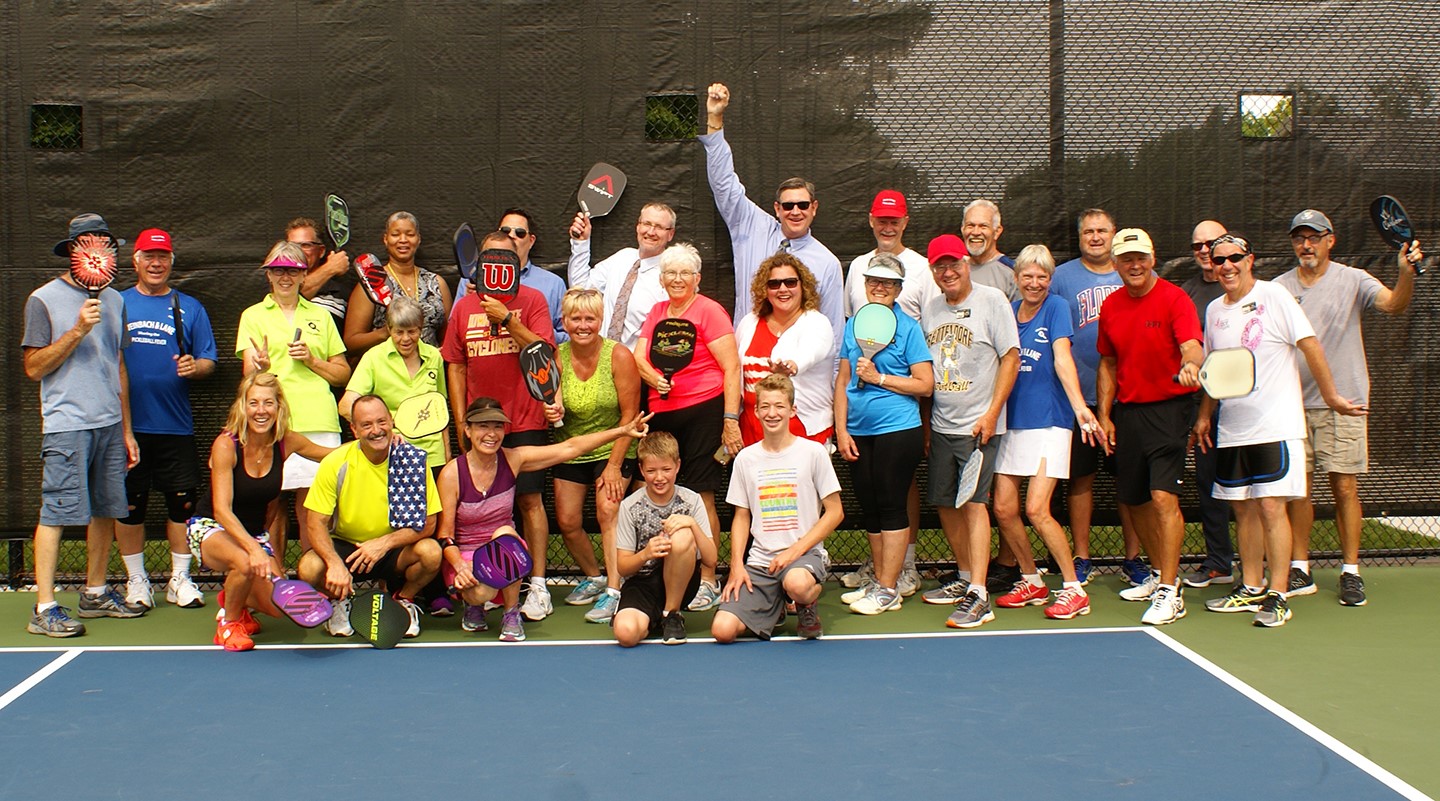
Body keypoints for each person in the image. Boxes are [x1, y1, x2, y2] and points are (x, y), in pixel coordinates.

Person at [1192, 234, 1367, 628]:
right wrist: (1205, 415)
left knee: (1272, 506)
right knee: (1244, 509)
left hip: (1276, 425)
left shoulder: (1276, 296)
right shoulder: (1215, 311)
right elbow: (1215, 368)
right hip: (1234, 429)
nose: (1227, 266)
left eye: (1235, 258)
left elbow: (1311, 346)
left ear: (1249, 260)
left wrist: (1332, 396)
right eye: (1219, 260)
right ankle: (1250, 587)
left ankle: (1278, 593)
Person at [1275, 209, 1421, 607]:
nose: (1306, 245)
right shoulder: (1278, 288)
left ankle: (1351, 571)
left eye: (1314, 237)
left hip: (1345, 403)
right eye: (1299, 238)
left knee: (1344, 487)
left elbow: (1393, 305)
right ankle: (1300, 567)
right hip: (1291, 403)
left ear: (1330, 240)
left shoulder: (1354, 280)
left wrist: (1405, 272)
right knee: (1297, 490)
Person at [437, 397, 651, 642]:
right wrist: (461, 568)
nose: (491, 434)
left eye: (497, 426)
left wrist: (622, 431)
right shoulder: (452, 474)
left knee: (506, 535)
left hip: (505, 550)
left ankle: (511, 613)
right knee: (480, 592)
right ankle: (474, 606)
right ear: (467, 430)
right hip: (466, 560)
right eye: (483, 426)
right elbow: (445, 536)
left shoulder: (513, 459)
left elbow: (571, 448)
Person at [22, 213, 145, 636]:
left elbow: (119, 366)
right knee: (56, 513)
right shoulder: (43, 299)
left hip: (109, 425)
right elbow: (33, 368)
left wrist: (126, 429)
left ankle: (94, 593)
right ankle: (44, 606)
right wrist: (76, 330)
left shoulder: (116, 299)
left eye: (108, 245)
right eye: (92, 245)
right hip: (66, 423)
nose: (102, 252)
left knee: (108, 510)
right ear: (75, 252)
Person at [441, 231, 558, 621]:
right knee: (468, 510)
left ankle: (537, 585)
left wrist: (507, 319)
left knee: (528, 502)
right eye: (492, 257)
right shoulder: (463, 306)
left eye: (507, 256)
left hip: (524, 417)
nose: (499, 263)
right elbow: (455, 365)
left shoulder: (534, 300)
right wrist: (460, 419)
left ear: (518, 261)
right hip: (480, 424)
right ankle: (475, 590)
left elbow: (543, 352)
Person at [1096, 228, 1204, 626]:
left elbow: (1192, 344)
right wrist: (1105, 415)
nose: (1135, 265)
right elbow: (1108, 362)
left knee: (1162, 499)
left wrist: (1191, 362)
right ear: (1115, 264)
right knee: (1137, 500)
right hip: (1128, 414)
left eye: (1140, 257)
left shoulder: (1175, 299)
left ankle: (1170, 592)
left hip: (1170, 411)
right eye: (1126, 259)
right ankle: (1160, 573)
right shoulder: (1111, 306)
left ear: (1152, 258)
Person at [989, 245, 1103, 621]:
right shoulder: (1008, 311)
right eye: (1028, 276)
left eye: (1042, 276)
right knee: (1004, 509)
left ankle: (1073, 588)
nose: (1035, 283)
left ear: (1050, 280)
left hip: (1051, 421)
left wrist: (1080, 408)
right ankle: (1031, 578)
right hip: (1012, 422)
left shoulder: (1055, 308)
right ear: (1017, 278)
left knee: (1037, 508)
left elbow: (1062, 357)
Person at [913, 234, 1020, 629]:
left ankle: (979, 592)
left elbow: (1011, 357)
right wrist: (927, 425)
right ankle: (963, 576)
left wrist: (992, 413)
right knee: (945, 503)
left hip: (979, 426)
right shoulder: (931, 309)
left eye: (953, 263)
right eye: (939, 266)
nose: (948, 271)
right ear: (932, 271)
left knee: (974, 504)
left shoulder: (992, 301)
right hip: (942, 426)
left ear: (966, 264)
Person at [188, 373, 333, 650]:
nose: (261, 410)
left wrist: (373, 440)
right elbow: (221, 510)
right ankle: (228, 625)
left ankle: (234, 597)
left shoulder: (286, 442)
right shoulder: (226, 444)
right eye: (253, 403)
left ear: (279, 407)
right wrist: (254, 550)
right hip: (210, 528)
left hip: (255, 535)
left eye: (268, 403)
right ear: (242, 406)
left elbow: (333, 454)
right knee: (243, 561)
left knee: (280, 608)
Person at [114, 228, 219, 611]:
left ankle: (179, 579)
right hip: (126, 427)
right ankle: (136, 580)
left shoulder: (189, 307)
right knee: (130, 506)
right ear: (136, 261)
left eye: (162, 258)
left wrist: (196, 366)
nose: (155, 264)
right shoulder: (117, 304)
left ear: (171, 262)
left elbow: (209, 359)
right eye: (148, 257)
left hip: (175, 424)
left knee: (182, 506)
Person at [634, 242, 741, 612]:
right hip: (662, 413)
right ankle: (665, 570)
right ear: (662, 279)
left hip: (704, 410)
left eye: (685, 274)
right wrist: (652, 376)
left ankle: (709, 578)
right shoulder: (657, 311)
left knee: (700, 492)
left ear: (697, 278)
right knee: (659, 490)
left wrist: (730, 419)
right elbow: (638, 356)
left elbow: (732, 368)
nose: (677, 280)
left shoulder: (710, 311)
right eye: (670, 273)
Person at [700, 82, 845, 347]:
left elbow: (834, 332)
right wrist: (715, 119)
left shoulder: (828, 263)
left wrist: (833, 383)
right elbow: (724, 184)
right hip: (748, 355)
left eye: (802, 205)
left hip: (799, 367)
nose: (796, 211)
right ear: (777, 209)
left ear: (814, 208)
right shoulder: (751, 225)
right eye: (788, 206)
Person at [839, 189, 932, 597]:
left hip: (898, 427)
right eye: (875, 281)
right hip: (858, 430)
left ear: (898, 288)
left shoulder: (909, 328)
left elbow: (925, 384)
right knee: (871, 509)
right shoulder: (854, 325)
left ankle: (890, 586)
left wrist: (879, 379)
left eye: (888, 283)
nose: (880, 287)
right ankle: (879, 579)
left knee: (893, 504)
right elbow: (842, 380)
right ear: (865, 283)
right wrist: (840, 429)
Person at [237, 241, 351, 557]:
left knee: (313, 509)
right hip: (271, 423)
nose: (285, 277)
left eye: (292, 270)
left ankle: (312, 582)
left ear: (303, 275)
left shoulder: (321, 316)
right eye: (278, 271)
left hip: (318, 419)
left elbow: (342, 374)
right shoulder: (253, 315)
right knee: (269, 507)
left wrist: (313, 361)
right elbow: (249, 374)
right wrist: (258, 366)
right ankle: (274, 583)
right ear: (268, 276)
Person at [712, 374, 844, 642]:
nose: (772, 413)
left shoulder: (813, 452)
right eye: (765, 407)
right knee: (722, 631)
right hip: (761, 563)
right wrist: (736, 565)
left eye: (780, 406)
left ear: (792, 410)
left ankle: (806, 601)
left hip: (802, 559)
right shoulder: (746, 459)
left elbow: (835, 512)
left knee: (796, 583)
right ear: (757, 411)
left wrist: (795, 551)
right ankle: (776, 605)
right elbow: (741, 516)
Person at [299, 395, 442, 639]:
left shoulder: (413, 460)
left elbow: (428, 524)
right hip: (347, 549)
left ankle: (403, 601)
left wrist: (383, 543)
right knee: (309, 568)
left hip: (392, 549)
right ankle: (340, 601)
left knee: (431, 552)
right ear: (354, 429)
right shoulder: (335, 463)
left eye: (381, 421)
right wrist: (334, 563)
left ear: (391, 421)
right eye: (366, 425)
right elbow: (315, 522)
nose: (376, 430)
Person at [542, 288, 643, 624]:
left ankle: (615, 590)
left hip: (615, 443)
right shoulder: (556, 355)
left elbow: (630, 416)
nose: (583, 325)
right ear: (565, 321)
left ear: (601, 320)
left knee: (607, 509)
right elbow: (553, 407)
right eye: (576, 318)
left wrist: (614, 466)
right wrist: (551, 409)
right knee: (568, 521)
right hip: (572, 447)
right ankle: (594, 576)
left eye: (590, 318)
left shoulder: (619, 356)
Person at [1049, 208, 1136, 585]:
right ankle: (1082, 557)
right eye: (1088, 232)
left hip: (1128, 399)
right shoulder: (1063, 278)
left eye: (1102, 231)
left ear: (1113, 234)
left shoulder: (1131, 273)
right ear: (1079, 236)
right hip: (1078, 399)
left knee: (1129, 481)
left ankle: (1134, 558)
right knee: (1080, 479)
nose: (1096, 237)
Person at [612, 432, 718, 647]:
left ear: (677, 466)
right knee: (626, 634)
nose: (659, 478)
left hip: (682, 581)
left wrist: (692, 525)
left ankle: (671, 614)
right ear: (642, 470)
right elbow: (623, 567)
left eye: (666, 470)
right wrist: (646, 553)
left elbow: (711, 559)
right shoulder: (629, 506)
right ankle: (651, 617)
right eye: (651, 471)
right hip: (642, 584)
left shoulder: (692, 500)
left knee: (683, 533)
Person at [1179, 220, 1236, 589]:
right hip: (1205, 410)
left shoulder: (1252, 289)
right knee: (1209, 482)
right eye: (1197, 244)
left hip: (1252, 409)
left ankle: (1279, 569)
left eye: (1211, 243)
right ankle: (1219, 561)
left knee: (1258, 492)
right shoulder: (1185, 294)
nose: (1204, 250)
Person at [735, 252, 836, 447]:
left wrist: (792, 366)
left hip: (803, 429)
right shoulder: (749, 322)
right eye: (774, 284)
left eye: (790, 282)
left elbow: (812, 351)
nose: (783, 289)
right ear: (765, 290)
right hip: (752, 430)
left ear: (802, 286)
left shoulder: (817, 322)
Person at [340, 296, 450, 473]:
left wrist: (447, 453)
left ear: (421, 329)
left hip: (433, 455)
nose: (406, 339)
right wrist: (381, 432)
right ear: (389, 329)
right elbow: (346, 406)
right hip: (393, 453)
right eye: (399, 332)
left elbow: (440, 408)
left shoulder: (433, 356)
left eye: (412, 332)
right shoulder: (373, 358)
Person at [566, 202, 676, 349]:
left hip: (637, 366)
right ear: (638, 226)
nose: (651, 232)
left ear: (670, 234)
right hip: (600, 359)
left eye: (659, 227)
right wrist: (581, 243)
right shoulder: (622, 257)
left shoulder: (671, 276)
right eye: (646, 223)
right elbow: (580, 288)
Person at [343, 211, 453, 352]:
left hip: (429, 369)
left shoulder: (437, 283)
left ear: (418, 239)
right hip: (388, 369)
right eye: (395, 234)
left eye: (410, 234)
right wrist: (385, 332)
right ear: (385, 239)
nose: (403, 239)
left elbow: (448, 337)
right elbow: (351, 342)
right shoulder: (372, 283)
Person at [456, 208, 568, 343]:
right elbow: (455, 331)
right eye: (505, 231)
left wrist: (533, 325)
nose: (511, 236)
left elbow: (567, 338)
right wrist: (471, 302)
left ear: (531, 241)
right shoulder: (471, 280)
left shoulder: (553, 284)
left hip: (531, 360)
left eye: (520, 233)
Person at [288, 216, 351, 334]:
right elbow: (288, 299)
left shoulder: (341, 293)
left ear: (321, 251)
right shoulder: (275, 282)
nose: (298, 251)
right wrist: (330, 268)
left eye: (306, 245)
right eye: (292, 246)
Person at [960, 199, 1020, 302]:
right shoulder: (954, 271)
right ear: (962, 229)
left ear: (997, 231)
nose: (975, 232)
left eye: (983, 226)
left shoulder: (1011, 273)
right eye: (970, 225)